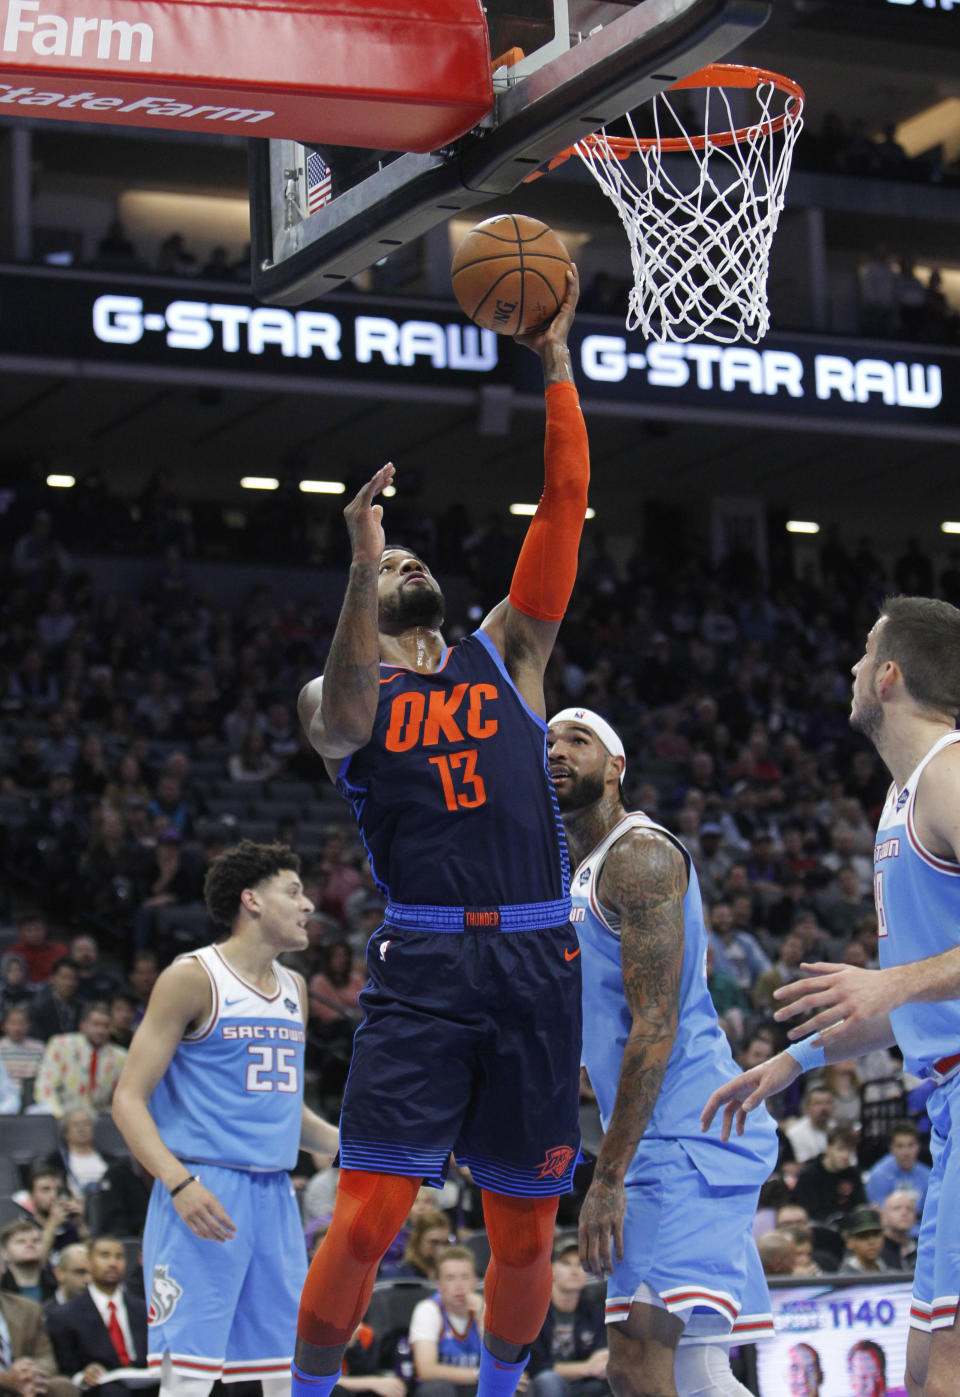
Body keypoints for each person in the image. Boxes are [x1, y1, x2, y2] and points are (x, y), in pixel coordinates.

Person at [293, 271, 588, 1397]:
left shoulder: (508, 651)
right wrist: (362, 570)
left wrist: (554, 363)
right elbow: (352, 720)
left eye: (416, 557)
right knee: (369, 1214)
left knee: (523, 1231)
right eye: (392, 559)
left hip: (533, 953)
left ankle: (509, 1391)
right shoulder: (333, 691)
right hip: (423, 961)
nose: (411, 558)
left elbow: (561, 506)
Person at [701, 596, 960, 1397]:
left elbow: (906, 985)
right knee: (925, 1368)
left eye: (863, 651)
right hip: (945, 1098)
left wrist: (895, 978)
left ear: (888, 676)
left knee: (941, 1368)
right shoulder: (901, 795)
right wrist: (792, 1060)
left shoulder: (948, 771)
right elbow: (912, 1001)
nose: (849, 666)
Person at [547, 709, 777, 1397]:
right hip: (675, 1132)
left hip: (683, 1137)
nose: (556, 750)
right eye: (549, 741)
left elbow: (655, 1022)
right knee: (693, 1369)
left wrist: (608, 1175)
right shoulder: (579, 870)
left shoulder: (638, 855)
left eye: (578, 740)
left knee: (635, 1364)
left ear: (617, 767)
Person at [111, 839, 339, 1397]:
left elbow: (284, 1109)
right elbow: (127, 1100)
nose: (308, 905)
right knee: (188, 1378)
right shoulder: (191, 977)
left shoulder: (295, 988)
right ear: (251, 901)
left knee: (285, 1371)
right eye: (293, 892)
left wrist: (347, 1142)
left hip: (274, 1194)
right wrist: (179, 1184)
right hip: (203, 1189)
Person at [45, 1235, 147, 1397]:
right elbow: (65, 1371)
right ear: (88, 1263)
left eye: (119, 1257)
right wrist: (82, 1376)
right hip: (99, 1391)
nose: (113, 1263)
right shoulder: (65, 1316)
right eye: (104, 1256)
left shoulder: (143, 1310)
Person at [526, 1238, 608, 1397]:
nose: (574, 1270)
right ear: (550, 1269)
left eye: (580, 1264)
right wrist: (586, 1368)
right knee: (548, 1380)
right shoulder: (533, 1312)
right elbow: (536, 1366)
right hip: (543, 1384)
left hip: (585, 1383)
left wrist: (593, 1366)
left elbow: (602, 1355)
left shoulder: (595, 1311)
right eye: (566, 1263)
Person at [409, 1247, 484, 1397]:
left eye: (465, 1277)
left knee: (518, 1387)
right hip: (446, 1388)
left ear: (475, 1282)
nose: (459, 1287)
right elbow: (426, 1370)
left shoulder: (484, 1309)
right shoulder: (428, 1310)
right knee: (438, 1389)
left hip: (475, 1386)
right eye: (450, 1278)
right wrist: (481, 1374)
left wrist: (481, 1318)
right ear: (438, 1284)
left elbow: (499, 1361)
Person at [32, 1003, 127, 1118]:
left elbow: (122, 1098)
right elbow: (45, 1088)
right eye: (95, 1024)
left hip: (101, 1121)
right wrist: (62, 1116)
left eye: (105, 1026)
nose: (100, 1031)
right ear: (83, 1025)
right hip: (61, 1116)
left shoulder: (121, 1057)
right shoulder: (60, 1045)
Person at [0, 1288, 77, 1397]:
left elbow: (47, 1359)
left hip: (23, 1385)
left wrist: (26, 1372)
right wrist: (4, 1378)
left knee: (62, 1387)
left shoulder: (27, 1308)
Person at [792, 1126, 866, 1224]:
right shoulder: (809, 1176)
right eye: (840, 1149)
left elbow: (860, 1204)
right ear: (828, 1148)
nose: (845, 1155)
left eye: (850, 1150)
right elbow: (811, 1214)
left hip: (849, 1228)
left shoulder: (853, 1174)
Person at [865, 1122, 931, 1212]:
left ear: (918, 1147)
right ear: (891, 1149)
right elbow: (882, 1214)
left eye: (910, 1145)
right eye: (900, 1146)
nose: (906, 1152)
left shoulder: (928, 1175)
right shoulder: (878, 1175)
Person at [783, 1085, 836, 1165]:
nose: (824, 1108)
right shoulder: (795, 1133)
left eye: (828, 1103)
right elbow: (800, 1165)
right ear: (807, 1108)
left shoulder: (838, 1129)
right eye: (818, 1103)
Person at [879, 1190, 918, 1273]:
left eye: (909, 1209)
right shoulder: (876, 1250)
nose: (904, 1213)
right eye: (897, 1208)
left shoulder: (922, 1247)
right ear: (883, 1217)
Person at [838, 1208, 885, 1275]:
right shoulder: (844, 1279)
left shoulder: (890, 1272)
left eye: (876, 1234)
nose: (871, 1242)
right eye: (863, 1236)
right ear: (849, 1242)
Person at [47, 1244, 92, 1309]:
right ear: (59, 1274)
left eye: (92, 1274)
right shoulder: (45, 1314)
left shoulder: (103, 1311)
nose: (88, 1280)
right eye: (80, 1272)